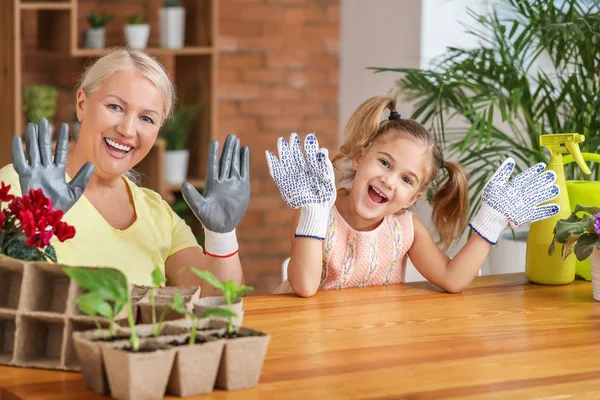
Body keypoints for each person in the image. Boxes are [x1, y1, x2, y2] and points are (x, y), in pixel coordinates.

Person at [0, 48, 250, 295]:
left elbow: (218, 301)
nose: (128, 130)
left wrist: (222, 235)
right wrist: (37, 226)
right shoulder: (16, 187)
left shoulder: (158, 214)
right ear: (82, 104)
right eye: (115, 107)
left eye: (147, 119)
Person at [266, 95, 560, 297]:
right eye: (384, 162)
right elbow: (304, 287)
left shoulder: (404, 229)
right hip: (310, 337)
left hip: (369, 339)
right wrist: (313, 213)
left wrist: (491, 221)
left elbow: (452, 279)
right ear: (359, 157)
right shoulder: (317, 214)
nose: (388, 180)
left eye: (406, 179)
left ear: (412, 199)